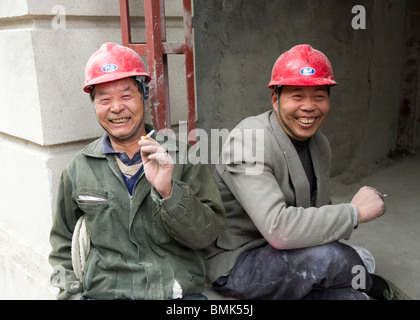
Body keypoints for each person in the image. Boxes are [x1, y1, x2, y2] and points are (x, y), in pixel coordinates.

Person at [204, 44, 410, 300]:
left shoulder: (320, 144)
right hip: (240, 261)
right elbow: (278, 228)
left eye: (319, 96)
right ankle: (373, 285)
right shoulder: (249, 140)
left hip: (291, 254)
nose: (309, 107)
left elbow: (315, 216)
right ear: (275, 99)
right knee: (336, 258)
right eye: (297, 96)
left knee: (351, 289)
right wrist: (354, 213)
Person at [49, 42, 225, 300]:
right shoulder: (78, 168)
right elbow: (63, 246)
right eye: (104, 99)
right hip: (104, 294)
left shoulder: (182, 158)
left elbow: (207, 236)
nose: (116, 107)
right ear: (94, 103)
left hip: (175, 295)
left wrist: (169, 192)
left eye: (126, 95)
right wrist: (72, 295)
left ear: (144, 95)